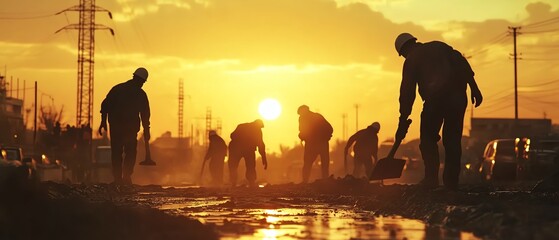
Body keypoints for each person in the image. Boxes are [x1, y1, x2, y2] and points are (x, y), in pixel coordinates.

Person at [394, 33, 483, 190]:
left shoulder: (411, 60)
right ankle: (451, 183)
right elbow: (462, 63)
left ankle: (431, 179)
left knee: (428, 140)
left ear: (404, 50)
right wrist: (474, 88)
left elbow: (407, 92)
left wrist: (403, 117)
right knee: (453, 142)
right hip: (457, 99)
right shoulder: (439, 46)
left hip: (436, 101)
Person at [98, 67, 151, 185]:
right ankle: (125, 177)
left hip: (118, 128)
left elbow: (104, 105)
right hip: (129, 129)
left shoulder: (117, 89)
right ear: (140, 80)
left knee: (117, 152)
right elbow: (145, 114)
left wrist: (103, 121)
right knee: (130, 152)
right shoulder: (140, 94)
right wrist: (146, 130)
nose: (142, 84)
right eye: (142, 82)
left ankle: (119, 178)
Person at [297, 105, 333, 183]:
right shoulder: (314, 117)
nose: (300, 116)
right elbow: (302, 131)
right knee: (313, 164)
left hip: (315, 144)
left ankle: (308, 181)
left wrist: (326, 136)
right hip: (317, 143)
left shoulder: (308, 118)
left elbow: (329, 128)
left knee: (310, 163)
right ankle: (323, 180)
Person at [228, 119, 268, 187]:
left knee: (234, 166)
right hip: (241, 149)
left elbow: (232, 135)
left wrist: (264, 158)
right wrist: (264, 158)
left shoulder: (242, 126)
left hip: (240, 149)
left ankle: (234, 182)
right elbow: (260, 144)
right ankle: (250, 182)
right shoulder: (257, 131)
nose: (260, 129)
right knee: (249, 166)